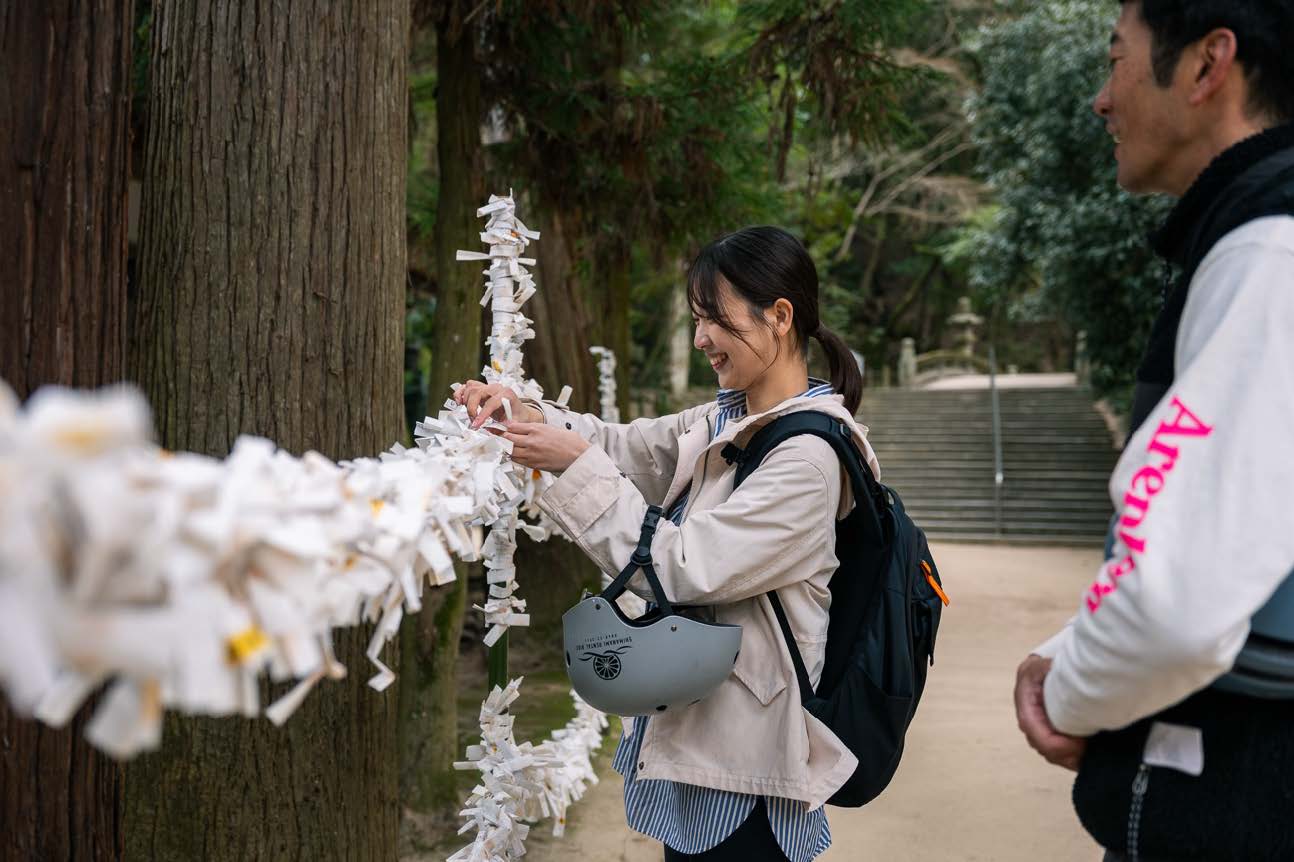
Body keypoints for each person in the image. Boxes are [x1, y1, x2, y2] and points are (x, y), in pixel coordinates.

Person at [454, 226, 879, 861]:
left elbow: (686, 567)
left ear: (780, 317)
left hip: (750, 760)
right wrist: (527, 414)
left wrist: (574, 468)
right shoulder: (725, 418)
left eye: (715, 319)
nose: (702, 338)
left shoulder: (810, 459)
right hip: (708, 736)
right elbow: (625, 447)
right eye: (696, 319)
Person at [1013, 1, 1294, 859]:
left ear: (1209, 65)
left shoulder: (1266, 254)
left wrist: (1071, 687)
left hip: (1239, 792)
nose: (1102, 99)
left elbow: (1177, 605)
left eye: (1118, 60)